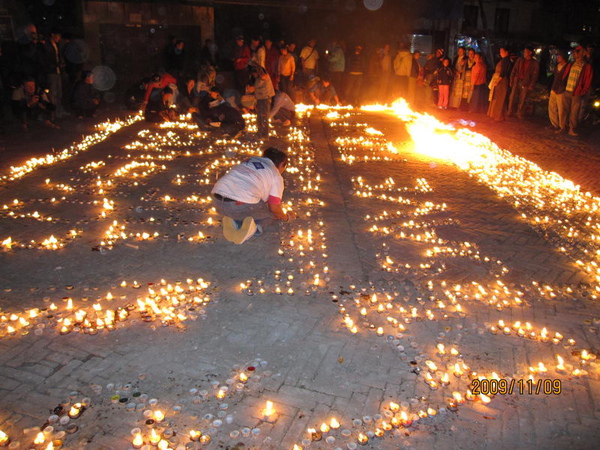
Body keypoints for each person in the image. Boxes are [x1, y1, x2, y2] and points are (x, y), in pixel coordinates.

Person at [211, 147, 297, 244]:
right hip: (239, 205)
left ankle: (233, 220)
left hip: (217, 201)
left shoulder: (249, 160)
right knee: (269, 216)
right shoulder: (276, 175)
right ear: (282, 164)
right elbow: (274, 208)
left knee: (256, 205)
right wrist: (287, 217)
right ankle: (247, 227)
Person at [560, 46, 594, 136]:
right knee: (564, 110)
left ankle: (572, 129)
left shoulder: (586, 66)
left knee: (574, 113)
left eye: (576, 52)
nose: (574, 54)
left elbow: (588, 80)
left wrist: (583, 91)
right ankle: (563, 127)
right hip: (567, 90)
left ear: (581, 54)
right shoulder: (571, 64)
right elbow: (565, 76)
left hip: (576, 92)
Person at [508, 46, 540, 119]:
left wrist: (531, 84)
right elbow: (514, 70)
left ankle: (519, 113)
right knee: (512, 96)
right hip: (517, 80)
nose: (524, 53)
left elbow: (534, 75)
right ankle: (510, 111)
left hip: (525, 82)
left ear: (530, 52)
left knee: (522, 99)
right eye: (524, 52)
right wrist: (511, 80)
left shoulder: (534, 63)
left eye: (526, 52)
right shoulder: (520, 60)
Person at [42, 28, 65, 118]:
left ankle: (59, 111)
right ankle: (52, 113)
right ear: (53, 35)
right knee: (53, 93)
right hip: (51, 72)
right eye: (58, 36)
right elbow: (47, 60)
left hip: (58, 71)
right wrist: (56, 65)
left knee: (59, 93)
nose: (59, 38)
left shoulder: (56, 45)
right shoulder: (47, 45)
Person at [247, 63, 274, 138]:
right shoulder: (256, 79)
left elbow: (263, 76)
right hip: (259, 99)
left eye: (255, 73)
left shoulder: (264, 76)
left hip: (265, 98)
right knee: (259, 116)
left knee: (264, 116)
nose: (254, 75)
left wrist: (257, 66)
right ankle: (260, 132)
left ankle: (265, 135)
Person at [488, 46, 511, 122]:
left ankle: (498, 116)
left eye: (502, 51)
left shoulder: (506, 61)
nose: (500, 53)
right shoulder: (504, 60)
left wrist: (497, 81)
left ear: (506, 52)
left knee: (500, 98)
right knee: (500, 98)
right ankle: (501, 115)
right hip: (501, 80)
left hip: (502, 81)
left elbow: (503, 72)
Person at [547, 51, 568, 131]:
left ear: (563, 57)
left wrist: (562, 89)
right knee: (552, 107)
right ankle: (554, 124)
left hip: (561, 90)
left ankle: (562, 126)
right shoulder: (557, 66)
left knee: (561, 109)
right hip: (554, 88)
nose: (557, 58)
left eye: (559, 57)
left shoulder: (567, 67)